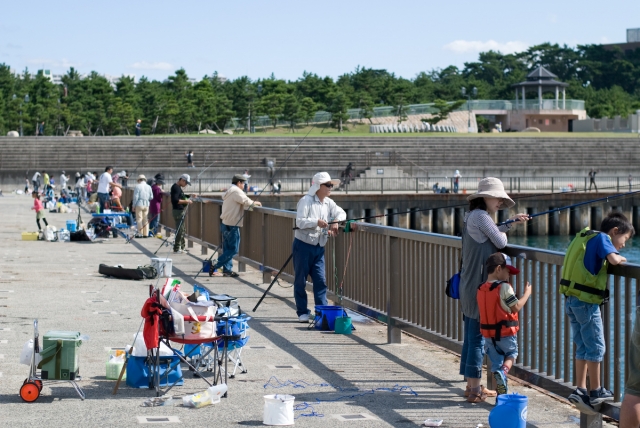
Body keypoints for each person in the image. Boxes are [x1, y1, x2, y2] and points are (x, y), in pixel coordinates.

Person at [459, 177, 529, 403]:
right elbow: (499, 241)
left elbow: (490, 232)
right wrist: (507, 230)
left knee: (471, 337)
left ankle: (471, 387)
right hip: (479, 286)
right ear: (484, 197)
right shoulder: (481, 216)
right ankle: (477, 388)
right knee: (478, 338)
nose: (499, 201)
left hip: (469, 284)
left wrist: (510, 222)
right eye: (497, 197)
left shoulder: (472, 216)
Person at [562, 212, 634, 415]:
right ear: (615, 231)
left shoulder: (587, 236)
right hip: (586, 303)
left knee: (583, 346)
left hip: (571, 300)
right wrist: (620, 258)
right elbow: (612, 259)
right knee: (596, 347)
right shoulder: (603, 238)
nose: (624, 245)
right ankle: (596, 390)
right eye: (625, 239)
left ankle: (580, 389)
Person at [293, 172, 346, 323]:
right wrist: (316, 222)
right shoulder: (306, 201)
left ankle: (321, 313)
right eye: (328, 185)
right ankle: (302, 312)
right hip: (302, 246)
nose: (330, 188)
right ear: (318, 186)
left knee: (321, 281)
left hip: (319, 247)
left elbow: (341, 212)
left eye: (331, 185)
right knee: (300, 281)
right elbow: (300, 222)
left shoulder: (329, 202)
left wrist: (336, 220)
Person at [477, 252, 531, 396]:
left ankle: (501, 396)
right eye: (508, 271)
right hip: (506, 334)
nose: (509, 275)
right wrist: (527, 293)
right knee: (512, 354)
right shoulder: (504, 288)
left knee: (495, 364)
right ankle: (504, 371)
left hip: (489, 337)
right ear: (498, 269)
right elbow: (516, 307)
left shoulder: (481, 288)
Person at [209, 174, 262, 277]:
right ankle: (215, 263)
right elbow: (246, 201)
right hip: (233, 224)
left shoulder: (229, 191)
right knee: (234, 249)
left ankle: (227, 270)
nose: (244, 186)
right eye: (243, 183)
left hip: (225, 222)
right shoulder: (236, 191)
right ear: (239, 183)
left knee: (227, 248)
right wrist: (256, 203)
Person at [171, 174, 195, 253]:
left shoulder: (178, 188)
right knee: (180, 230)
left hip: (180, 211)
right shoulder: (176, 188)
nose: (186, 185)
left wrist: (190, 195)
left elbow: (181, 196)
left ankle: (182, 247)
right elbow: (175, 200)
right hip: (178, 211)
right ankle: (177, 248)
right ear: (182, 180)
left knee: (182, 230)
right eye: (186, 183)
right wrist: (187, 201)